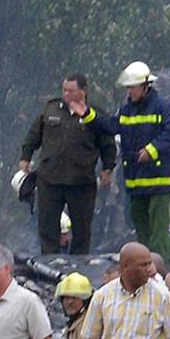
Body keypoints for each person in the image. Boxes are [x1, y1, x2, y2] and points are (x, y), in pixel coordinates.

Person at [68, 61, 170, 259]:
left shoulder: (163, 107)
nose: (129, 92)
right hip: (136, 181)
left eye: (132, 87)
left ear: (145, 86)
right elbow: (110, 126)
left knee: (158, 230)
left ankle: (161, 269)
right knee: (139, 224)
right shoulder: (127, 110)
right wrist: (87, 115)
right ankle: (146, 266)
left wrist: (151, 150)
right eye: (128, 88)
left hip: (159, 180)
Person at [19, 74, 117, 254]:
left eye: (71, 91)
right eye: (64, 90)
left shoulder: (95, 114)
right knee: (47, 227)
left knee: (82, 230)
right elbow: (34, 135)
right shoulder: (51, 109)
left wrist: (107, 169)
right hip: (50, 179)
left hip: (81, 182)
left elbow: (108, 145)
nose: (66, 94)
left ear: (84, 91)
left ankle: (79, 266)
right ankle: (49, 262)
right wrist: (26, 157)